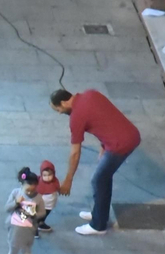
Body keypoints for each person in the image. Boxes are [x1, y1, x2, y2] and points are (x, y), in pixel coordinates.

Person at [51, 87, 142, 236]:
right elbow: (105, 118)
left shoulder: (76, 117)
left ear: (63, 102)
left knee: (99, 180)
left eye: (58, 109)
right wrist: (103, 145)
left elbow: (75, 153)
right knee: (104, 178)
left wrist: (68, 180)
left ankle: (98, 225)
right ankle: (99, 213)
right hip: (131, 134)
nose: (60, 112)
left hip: (120, 144)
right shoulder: (91, 94)